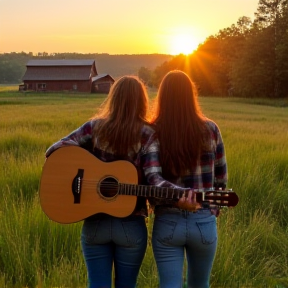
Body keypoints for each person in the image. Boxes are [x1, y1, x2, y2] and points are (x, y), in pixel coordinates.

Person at [45, 75, 196, 288]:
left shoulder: (94, 127)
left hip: (94, 224)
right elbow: (154, 181)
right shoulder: (147, 134)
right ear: (142, 102)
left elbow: (53, 150)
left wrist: (82, 173)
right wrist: (182, 192)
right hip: (130, 225)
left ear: (113, 99)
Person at [149, 70, 228, 288]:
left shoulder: (153, 131)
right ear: (190, 95)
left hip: (167, 221)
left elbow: (150, 178)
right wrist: (211, 211)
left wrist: (170, 200)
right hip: (203, 221)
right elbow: (221, 179)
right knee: (200, 285)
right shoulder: (211, 129)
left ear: (163, 97)